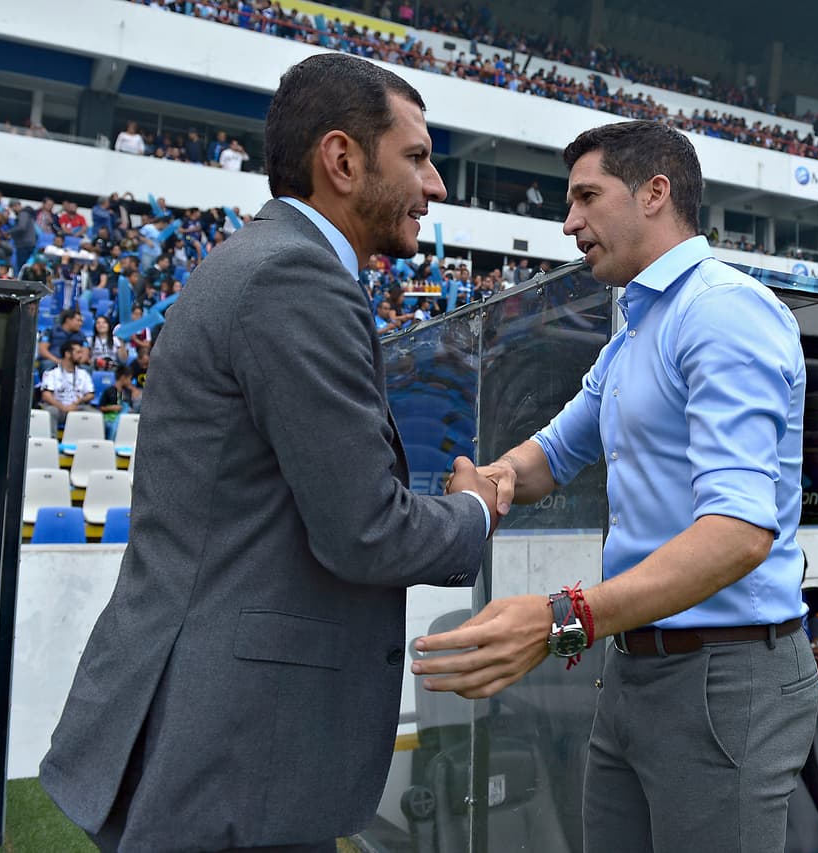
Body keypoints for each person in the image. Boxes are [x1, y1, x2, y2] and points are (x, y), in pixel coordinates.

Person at [40, 53, 499, 853]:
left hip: (221, 731)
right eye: (419, 158)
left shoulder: (268, 263)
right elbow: (365, 529)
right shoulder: (298, 277)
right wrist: (475, 510)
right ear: (343, 161)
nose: (436, 188)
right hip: (235, 744)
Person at [411, 120, 815, 852]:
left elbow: (740, 531)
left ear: (655, 192)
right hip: (633, 667)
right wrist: (490, 482)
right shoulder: (635, 325)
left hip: (723, 674)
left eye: (587, 197)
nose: (569, 222)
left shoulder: (721, 312)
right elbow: (555, 452)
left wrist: (561, 618)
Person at [38, 340, 97, 433]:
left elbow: (91, 394)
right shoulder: (52, 373)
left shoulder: (83, 373)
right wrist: (63, 407)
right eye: (78, 352)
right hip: (58, 407)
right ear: (67, 354)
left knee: (95, 414)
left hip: (77, 407)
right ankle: (52, 442)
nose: (81, 355)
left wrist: (79, 401)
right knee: (50, 412)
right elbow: (46, 395)